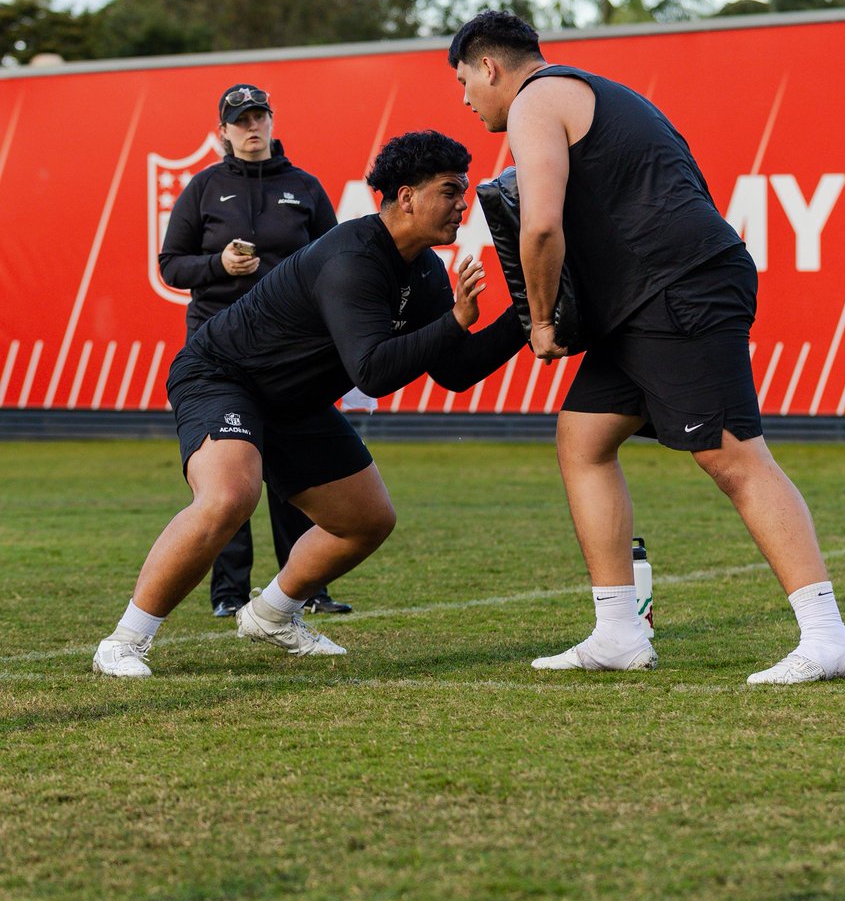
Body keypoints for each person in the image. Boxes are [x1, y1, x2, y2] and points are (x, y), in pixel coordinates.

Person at [448, 10, 845, 686]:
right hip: (651, 299)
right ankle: (618, 631)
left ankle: (828, 638)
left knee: (731, 454)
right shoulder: (599, 92)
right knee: (583, 440)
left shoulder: (535, 101)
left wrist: (544, 321)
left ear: (489, 66)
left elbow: (542, 226)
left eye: (464, 81)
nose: (465, 98)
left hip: (677, 291)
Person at [93, 130, 525, 677]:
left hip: (293, 401)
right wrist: (455, 322)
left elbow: (456, 372)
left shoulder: (422, 270)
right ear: (407, 195)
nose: (463, 203)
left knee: (367, 520)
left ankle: (271, 614)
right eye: (450, 190)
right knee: (229, 497)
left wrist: (525, 314)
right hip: (224, 377)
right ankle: (125, 640)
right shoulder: (353, 256)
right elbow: (373, 371)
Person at [159, 81, 353, 617]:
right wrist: (217, 265)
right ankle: (229, 593)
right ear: (222, 132)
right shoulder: (202, 188)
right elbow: (171, 264)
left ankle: (305, 587)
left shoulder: (305, 187)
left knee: (296, 470)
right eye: (240, 121)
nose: (251, 127)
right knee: (230, 469)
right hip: (217, 349)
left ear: (272, 122)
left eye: (259, 117)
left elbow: (336, 263)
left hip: (291, 349)